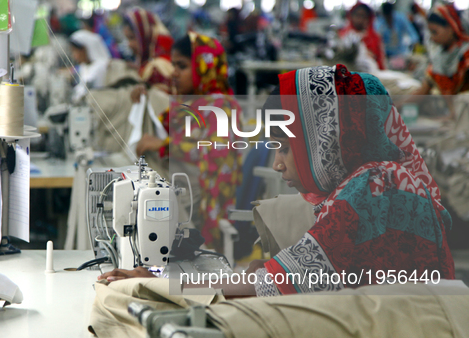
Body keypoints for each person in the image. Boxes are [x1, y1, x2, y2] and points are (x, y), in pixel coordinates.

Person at [100, 64, 455, 298]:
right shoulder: (387, 180)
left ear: (327, 138)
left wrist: (162, 283)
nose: (277, 163)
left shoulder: (372, 190)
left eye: (285, 147)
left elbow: (274, 281)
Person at [136, 32, 242, 254]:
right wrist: (145, 96)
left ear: (205, 68)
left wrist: (163, 146)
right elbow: (168, 123)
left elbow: (212, 150)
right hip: (193, 189)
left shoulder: (222, 106)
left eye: (181, 66)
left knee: (155, 195)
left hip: (209, 199)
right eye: (173, 65)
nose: (174, 73)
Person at [413, 3, 469, 96]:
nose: (432, 38)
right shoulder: (439, 56)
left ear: (451, 27)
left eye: (435, 32)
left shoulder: (466, 55)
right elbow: (423, 90)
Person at [123, 7, 174, 96]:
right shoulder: (148, 64)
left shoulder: (156, 69)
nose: (129, 44)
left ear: (145, 35)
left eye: (132, 38)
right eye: (127, 39)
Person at [339, 2, 387, 72]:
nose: (360, 19)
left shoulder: (375, 38)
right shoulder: (343, 36)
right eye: (357, 15)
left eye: (364, 16)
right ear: (351, 16)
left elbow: (381, 62)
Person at [69, 30, 112, 102]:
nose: (74, 56)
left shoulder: (101, 67)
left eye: (75, 51)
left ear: (85, 49)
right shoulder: (84, 67)